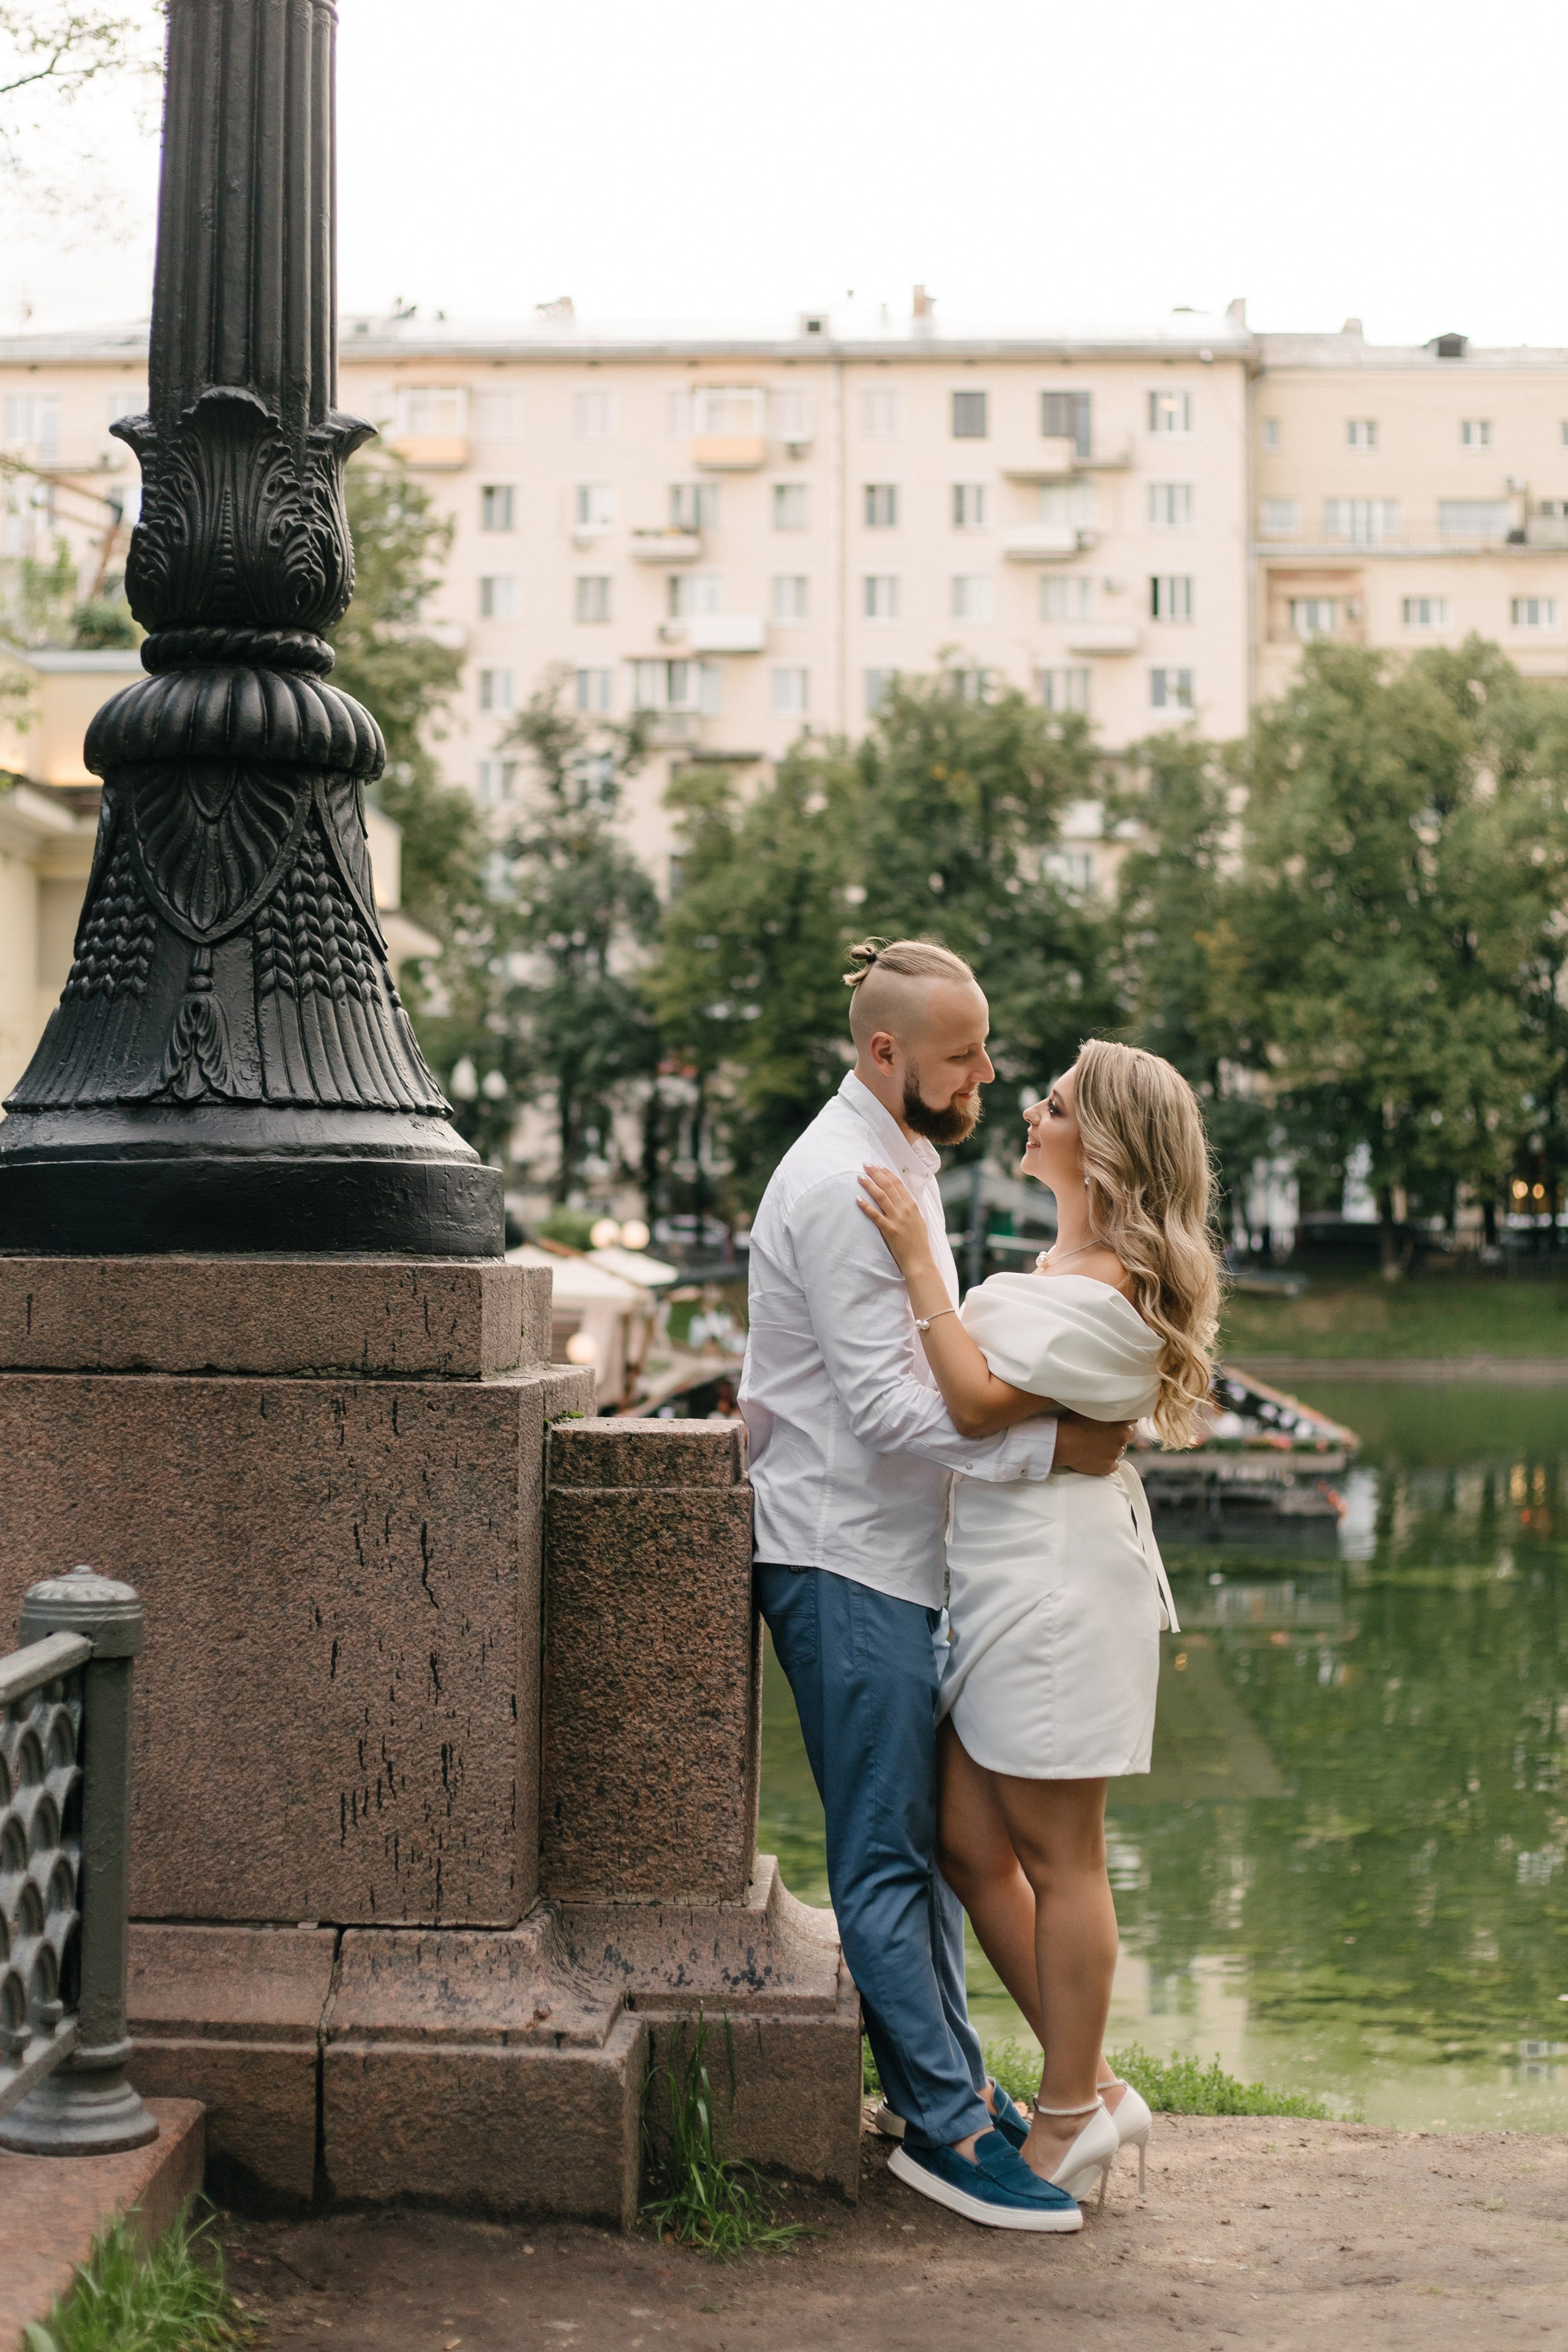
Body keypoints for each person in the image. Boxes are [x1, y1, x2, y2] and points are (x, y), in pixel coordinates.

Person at [740, 939, 1132, 2233]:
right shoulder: (840, 1183)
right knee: (886, 1856)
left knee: (921, 1843)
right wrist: (1053, 1452)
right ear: (885, 1054)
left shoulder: (899, 1158)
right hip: (841, 1554)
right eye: (963, 1054)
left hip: (896, 1556)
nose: (987, 1073)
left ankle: (952, 2084)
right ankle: (941, 2126)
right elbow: (891, 1407)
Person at [856, 1038, 1222, 2206]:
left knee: (1063, 1857)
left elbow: (965, 1402)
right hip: (1009, 1581)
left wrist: (918, 1260)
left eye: (1054, 1102)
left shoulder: (1109, 1291)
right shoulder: (1072, 1265)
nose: (1029, 1109)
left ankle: (1067, 2116)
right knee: (969, 1837)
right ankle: (1101, 2086)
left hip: (1059, 1596)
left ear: (1102, 1146)